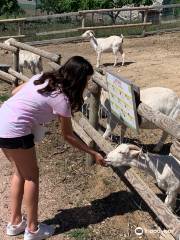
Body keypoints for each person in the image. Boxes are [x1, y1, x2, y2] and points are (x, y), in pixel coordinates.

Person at [0, 56, 105, 240]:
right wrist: (93, 152)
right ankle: (32, 229)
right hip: (16, 130)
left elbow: (15, 92)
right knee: (31, 176)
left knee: (18, 173)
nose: (87, 84)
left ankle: (15, 223)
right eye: (86, 80)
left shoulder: (42, 77)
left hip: (2, 122)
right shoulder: (62, 99)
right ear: (78, 80)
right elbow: (68, 135)